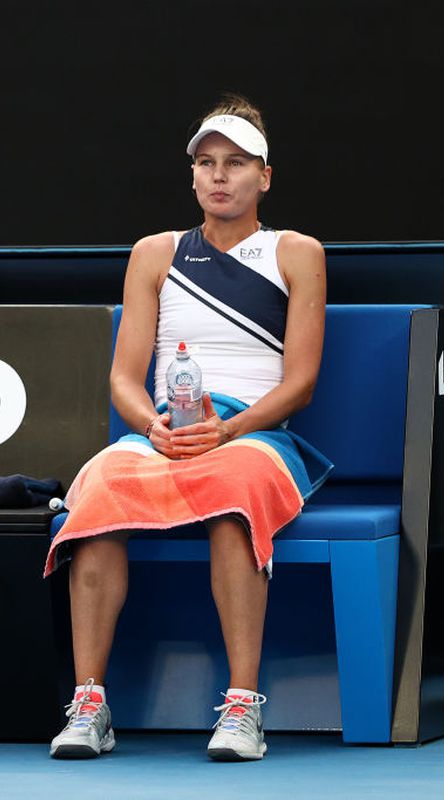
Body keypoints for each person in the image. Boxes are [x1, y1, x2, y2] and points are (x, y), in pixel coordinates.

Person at [45, 94, 330, 762]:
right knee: (100, 491)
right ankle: (90, 703)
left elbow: (300, 384)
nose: (219, 176)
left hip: (256, 437)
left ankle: (241, 708)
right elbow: (124, 376)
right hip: (165, 435)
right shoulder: (154, 253)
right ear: (193, 176)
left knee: (233, 494)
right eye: (206, 163)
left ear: (265, 176)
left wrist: (227, 433)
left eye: (235, 163)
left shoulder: (296, 251)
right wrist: (155, 425)